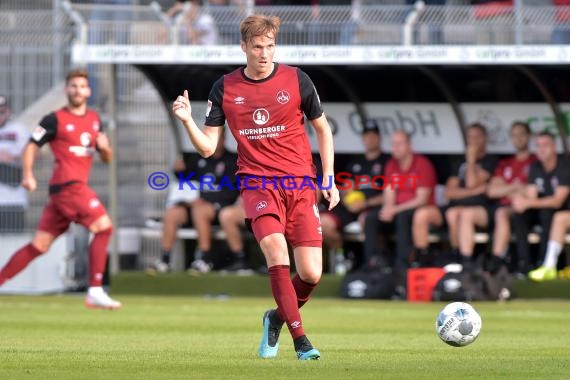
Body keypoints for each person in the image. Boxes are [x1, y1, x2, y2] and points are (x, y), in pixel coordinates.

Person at [171, 14, 339, 360]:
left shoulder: (296, 79)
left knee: (310, 273)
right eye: (258, 46)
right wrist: (188, 120)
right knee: (276, 252)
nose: (265, 53)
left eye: (270, 46)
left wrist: (329, 178)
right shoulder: (225, 88)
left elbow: (323, 130)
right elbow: (207, 148)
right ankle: (301, 341)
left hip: (301, 185)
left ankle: (275, 318)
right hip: (258, 184)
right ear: (244, 47)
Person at [0, 69, 121, 309]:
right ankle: (95, 290)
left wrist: (105, 149)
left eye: (82, 86)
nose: (78, 90)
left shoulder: (95, 120)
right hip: (68, 186)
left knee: (40, 245)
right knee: (104, 228)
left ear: (89, 91)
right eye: (73, 86)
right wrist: (28, 174)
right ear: (67, 89)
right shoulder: (54, 119)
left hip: (69, 191)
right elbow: (32, 146)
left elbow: (106, 158)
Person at [149, 133, 245, 273]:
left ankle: (204, 259)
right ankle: (165, 259)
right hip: (195, 204)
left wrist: (202, 198)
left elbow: (231, 192)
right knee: (172, 213)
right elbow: (186, 179)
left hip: (218, 206)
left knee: (200, 210)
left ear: (223, 139)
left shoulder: (233, 160)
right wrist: (179, 171)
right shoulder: (198, 158)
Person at [412, 123, 497, 271]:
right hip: (454, 206)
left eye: (477, 136)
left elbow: (471, 182)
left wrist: (471, 161)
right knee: (422, 214)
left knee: (461, 214)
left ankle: (464, 260)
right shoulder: (458, 162)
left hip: (479, 209)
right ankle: (423, 260)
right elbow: (449, 192)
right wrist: (475, 191)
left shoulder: (490, 160)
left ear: (485, 139)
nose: (474, 140)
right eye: (470, 137)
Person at [363, 130, 437, 273]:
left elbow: (421, 199)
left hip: (417, 209)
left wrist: (395, 210)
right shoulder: (391, 164)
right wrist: (388, 208)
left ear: (409, 145)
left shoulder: (422, 164)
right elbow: (389, 191)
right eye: (393, 144)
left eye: (399, 144)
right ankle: (371, 262)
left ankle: (403, 264)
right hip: (398, 209)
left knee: (403, 217)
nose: (395, 148)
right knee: (371, 218)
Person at [320, 118, 388, 271]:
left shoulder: (387, 162)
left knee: (369, 220)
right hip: (352, 207)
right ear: (363, 138)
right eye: (367, 135)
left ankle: (375, 262)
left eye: (373, 135)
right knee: (323, 222)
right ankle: (343, 256)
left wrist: (366, 204)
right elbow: (346, 187)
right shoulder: (356, 162)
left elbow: (391, 194)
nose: (370, 139)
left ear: (379, 138)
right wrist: (348, 198)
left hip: (374, 207)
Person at [511, 131, 570, 280]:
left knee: (552, 215)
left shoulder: (564, 164)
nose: (541, 149)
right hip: (544, 209)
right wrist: (521, 201)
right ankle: (524, 265)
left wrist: (529, 202)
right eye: (538, 146)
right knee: (519, 214)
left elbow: (558, 201)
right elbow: (531, 194)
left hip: (561, 210)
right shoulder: (535, 166)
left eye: (545, 145)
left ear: (554, 147)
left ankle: (546, 265)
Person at [485, 121, 536, 275]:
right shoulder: (505, 163)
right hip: (506, 209)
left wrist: (507, 188)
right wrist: (515, 187)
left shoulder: (535, 162)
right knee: (501, 213)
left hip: (529, 210)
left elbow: (529, 192)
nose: (518, 138)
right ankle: (497, 260)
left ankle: (499, 260)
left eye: (521, 134)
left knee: (508, 212)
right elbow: (492, 191)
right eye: (514, 135)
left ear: (528, 137)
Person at [0, 95, 30, 232]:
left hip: (14, 199)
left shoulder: (19, 130)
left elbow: (36, 153)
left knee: (13, 243)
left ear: (8, 111)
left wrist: (14, 156)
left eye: (1, 112)